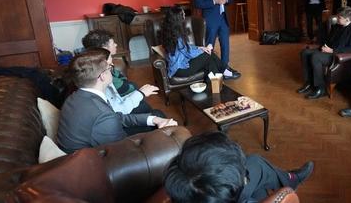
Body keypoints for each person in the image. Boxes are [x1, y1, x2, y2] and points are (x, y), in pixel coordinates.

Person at [57, 48, 177, 153]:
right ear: (102, 77)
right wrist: (161, 135)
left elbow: (116, 117)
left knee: (156, 115)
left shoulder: (75, 97)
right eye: (110, 68)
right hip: (101, 161)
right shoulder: (101, 113)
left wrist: (153, 119)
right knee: (167, 134)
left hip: (92, 148)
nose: (112, 70)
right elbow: (123, 151)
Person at [164, 131, 314, 203]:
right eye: (243, 176)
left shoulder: (180, 182)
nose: (245, 175)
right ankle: (291, 180)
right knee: (255, 166)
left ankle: (290, 178)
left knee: (255, 162)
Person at [82, 30, 165, 135]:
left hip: (115, 119)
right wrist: (140, 93)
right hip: (114, 131)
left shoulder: (94, 71)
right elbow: (119, 114)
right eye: (109, 66)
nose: (116, 44)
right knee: (155, 113)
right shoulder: (99, 81)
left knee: (153, 113)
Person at [161, 6, 240, 80]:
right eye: (183, 14)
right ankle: (224, 72)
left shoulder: (171, 31)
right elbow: (188, 53)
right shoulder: (176, 36)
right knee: (207, 54)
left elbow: (187, 47)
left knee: (209, 60)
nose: (185, 15)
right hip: (180, 69)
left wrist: (200, 48)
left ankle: (216, 83)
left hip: (182, 64)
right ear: (177, 19)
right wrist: (204, 50)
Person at [298, 6, 351, 99]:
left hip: (337, 55)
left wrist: (332, 51)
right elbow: (329, 39)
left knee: (315, 57)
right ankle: (309, 83)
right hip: (328, 50)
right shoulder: (338, 26)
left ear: (347, 19)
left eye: (339, 18)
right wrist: (324, 46)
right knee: (305, 53)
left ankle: (321, 88)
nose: (337, 19)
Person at [194, 0, 238, 73]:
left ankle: (224, 68)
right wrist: (214, 1)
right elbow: (198, 3)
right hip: (210, 19)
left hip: (223, 18)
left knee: (225, 45)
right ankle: (210, 69)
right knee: (210, 45)